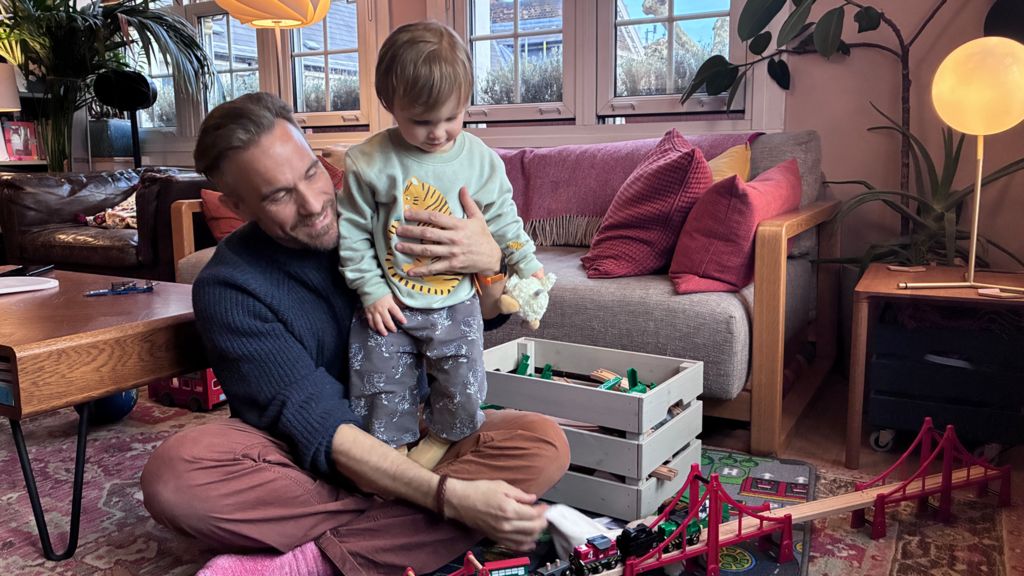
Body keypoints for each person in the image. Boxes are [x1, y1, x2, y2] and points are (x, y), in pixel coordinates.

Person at [139, 91, 569, 576]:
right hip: (307, 458)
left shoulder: (385, 213)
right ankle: (404, 537)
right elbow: (318, 425)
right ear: (237, 206)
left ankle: (312, 560)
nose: (314, 205)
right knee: (176, 477)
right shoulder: (229, 288)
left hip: (414, 434)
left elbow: (472, 319)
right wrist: (450, 497)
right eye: (278, 195)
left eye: (311, 172)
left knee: (542, 442)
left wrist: (488, 264)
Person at [339, 21, 545, 471]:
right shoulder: (367, 161)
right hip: (388, 305)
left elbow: (504, 220)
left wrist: (527, 265)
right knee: (378, 381)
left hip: (456, 303)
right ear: (389, 104)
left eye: (452, 118)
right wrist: (370, 290)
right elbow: (351, 232)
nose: (438, 133)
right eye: (422, 122)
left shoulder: (481, 160)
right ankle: (389, 456)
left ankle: (441, 442)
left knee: (465, 384)